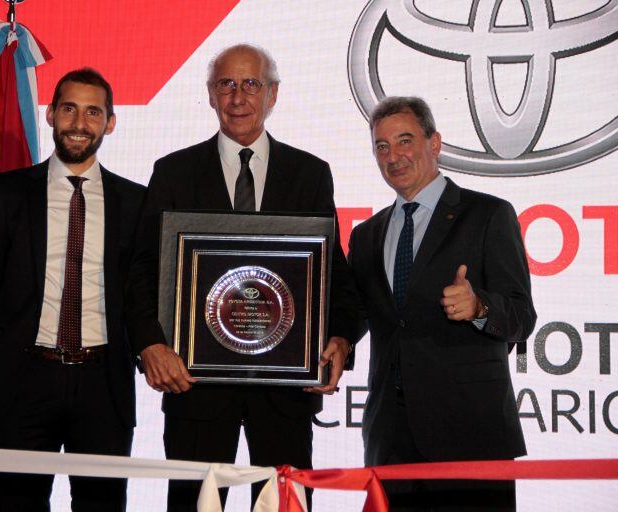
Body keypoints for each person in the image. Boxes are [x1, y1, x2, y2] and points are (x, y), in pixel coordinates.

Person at [125, 43, 360, 511]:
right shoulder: (173, 172)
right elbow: (140, 270)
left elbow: (334, 275)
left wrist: (341, 338)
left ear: (272, 94)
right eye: (226, 85)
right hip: (195, 390)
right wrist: (150, 344)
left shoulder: (310, 174)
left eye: (250, 84)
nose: (238, 97)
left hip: (284, 393)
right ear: (210, 96)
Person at [347, 96, 536, 511]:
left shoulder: (488, 215)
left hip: (470, 435)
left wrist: (480, 307)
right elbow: (356, 314)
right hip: (389, 437)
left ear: (434, 144)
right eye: (381, 146)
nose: (393, 156)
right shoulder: (366, 235)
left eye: (404, 141)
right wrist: (334, 345)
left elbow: (522, 317)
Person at [0, 67, 145, 512]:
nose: (79, 123)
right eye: (69, 109)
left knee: (102, 506)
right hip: (26, 381)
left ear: (110, 122)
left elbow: (143, 292)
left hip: (104, 385)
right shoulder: (8, 192)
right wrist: (17, 348)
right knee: (18, 505)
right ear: (50, 114)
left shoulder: (137, 202)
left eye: (93, 112)